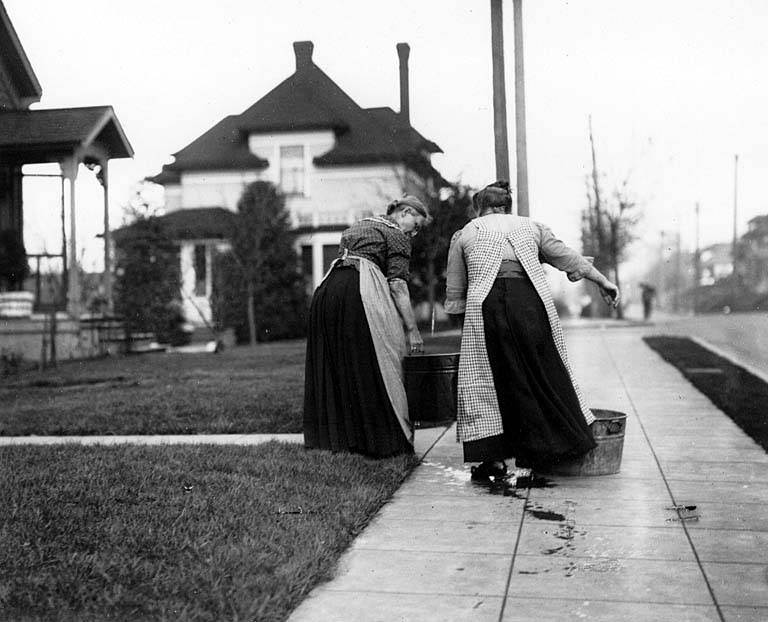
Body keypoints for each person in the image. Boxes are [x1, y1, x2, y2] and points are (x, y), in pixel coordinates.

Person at [445, 181, 620, 479]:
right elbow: (566, 256)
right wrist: (603, 281)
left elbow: (455, 289)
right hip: (528, 304)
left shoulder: (466, 233)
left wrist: (462, 322)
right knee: (538, 372)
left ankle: (494, 459)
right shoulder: (531, 226)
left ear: (481, 207)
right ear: (508, 207)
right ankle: (544, 453)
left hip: (486, 307)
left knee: (489, 379)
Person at [303, 195, 429, 458]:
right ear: (405, 212)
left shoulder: (362, 224)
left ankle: (337, 440)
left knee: (339, 364)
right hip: (358, 293)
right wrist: (412, 329)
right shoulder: (397, 235)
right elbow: (397, 284)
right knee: (377, 361)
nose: (415, 234)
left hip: (328, 291)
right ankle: (382, 441)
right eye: (415, 226)